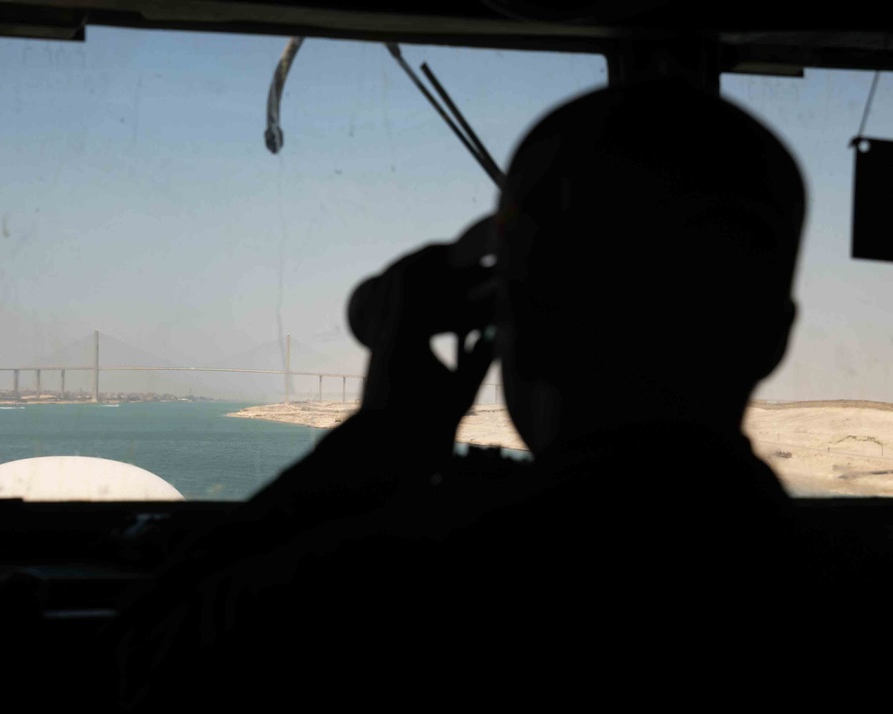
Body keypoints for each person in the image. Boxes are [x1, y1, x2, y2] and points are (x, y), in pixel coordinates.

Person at [107, 77, 890, 709]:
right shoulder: (847, 591)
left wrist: (385, 436)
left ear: (518, 323)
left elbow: (144, 662)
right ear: (774, 336)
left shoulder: (405, 585)